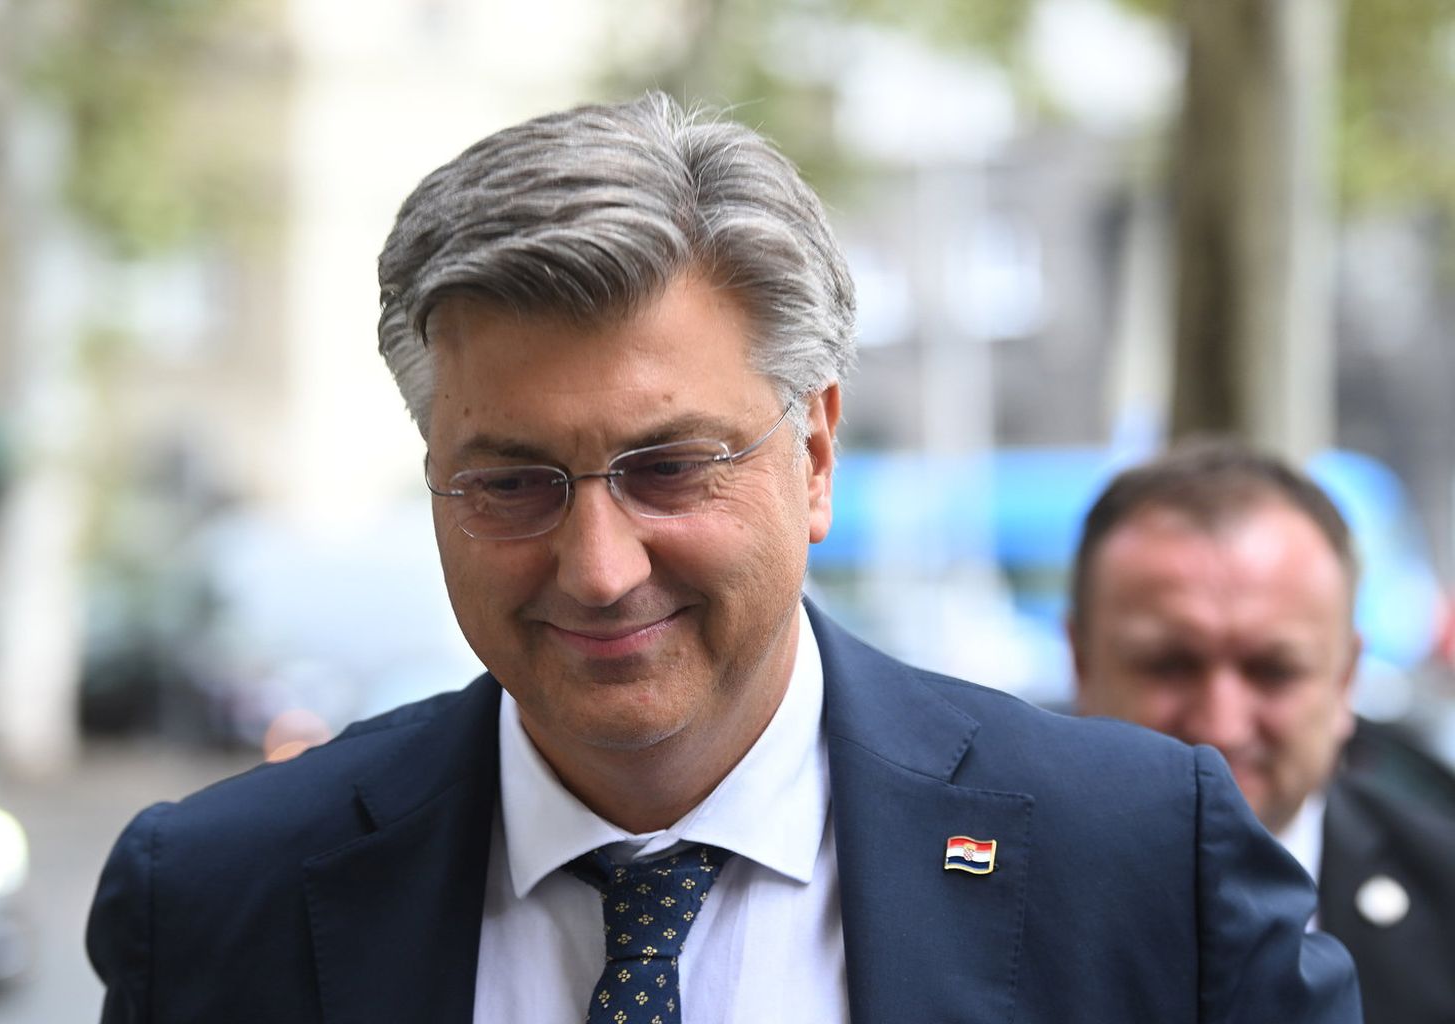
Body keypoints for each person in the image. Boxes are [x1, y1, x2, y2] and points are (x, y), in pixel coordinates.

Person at [87, 94, 1360, 1023]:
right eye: (512, 482)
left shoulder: (1142, 865)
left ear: (816, 454)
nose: (598, 567)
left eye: (670, 466)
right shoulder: (216, 899)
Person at [1069, 440, 1455, 1024]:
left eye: (1273, 670)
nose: (1219, 727)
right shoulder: (967, 906)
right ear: (1081, 662)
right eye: (1169, 665)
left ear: (1346, 679)